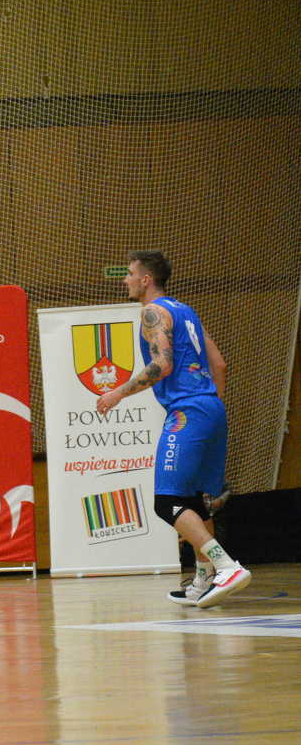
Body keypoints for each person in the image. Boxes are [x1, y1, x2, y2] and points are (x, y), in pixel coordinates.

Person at [96, 249, 249, 607]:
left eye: (130, 273)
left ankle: (227, 567)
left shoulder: (153, 312)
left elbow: (161, 365)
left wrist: (117, 393)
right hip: (211, 408)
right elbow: (220, 365)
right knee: (196, 502)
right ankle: (203, 578)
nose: (126, 279)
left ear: (146, 279)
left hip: (188, 410)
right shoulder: (187, 312)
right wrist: (209, 404)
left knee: (167, 502)